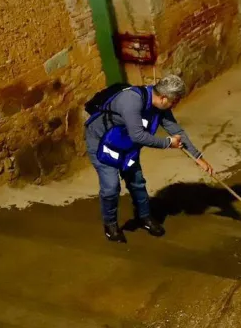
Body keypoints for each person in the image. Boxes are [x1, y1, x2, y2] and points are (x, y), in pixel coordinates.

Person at [84, 75, 214, 243]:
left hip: (124, 144)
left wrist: (198, 158)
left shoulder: (160, 106)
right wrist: (168, 143)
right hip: (101, 142)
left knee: (136, 181)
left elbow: (177, 131)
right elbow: (138, 136)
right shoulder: (131, 101)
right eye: (174, 102)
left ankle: (144, 217)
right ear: (164, 98)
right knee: (111, 187)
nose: (174, 106)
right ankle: (110, 225)